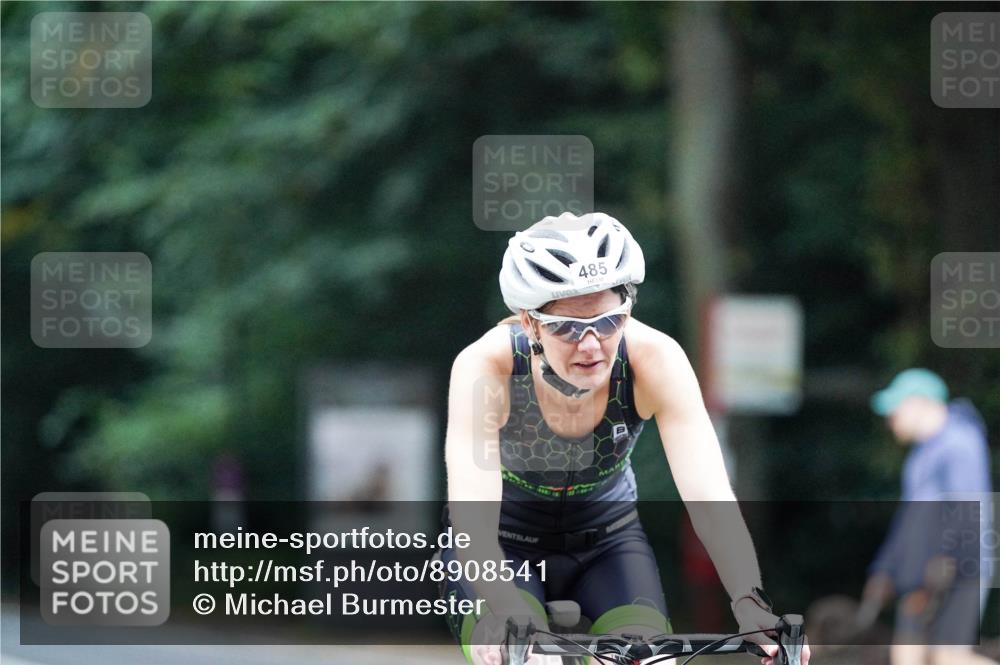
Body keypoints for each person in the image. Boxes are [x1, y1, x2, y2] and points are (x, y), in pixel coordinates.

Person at [441, 212, 809, 665]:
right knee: (527, 656)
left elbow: (710, 498)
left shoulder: (655, 358)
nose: (592, 344)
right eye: (568, 328)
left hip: (608, 545)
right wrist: (505, 611)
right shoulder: (485, 367)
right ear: (530, 323)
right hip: (502, 546)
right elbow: (472, 523)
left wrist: (749, 604)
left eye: (609, 321)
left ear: (629, 308)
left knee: (650, 660)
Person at [859, 369, 995, 665]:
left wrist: (947, 560)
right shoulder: (920, 456)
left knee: (948, 658)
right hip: (919, 572)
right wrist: (885, 569)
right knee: (907, 656)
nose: (890, 418)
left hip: (958, 569)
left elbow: (968, 509)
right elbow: (909, 520)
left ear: (920, 403)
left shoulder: (960, 443)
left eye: (895, 409)